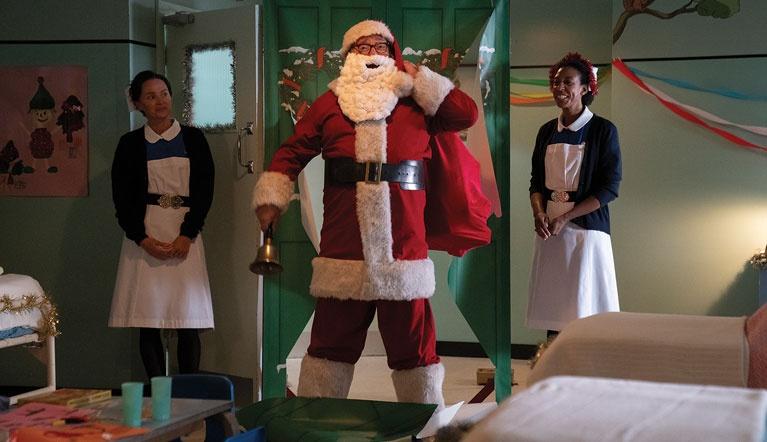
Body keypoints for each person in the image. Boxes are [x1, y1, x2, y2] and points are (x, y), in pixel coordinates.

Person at [252, 20, 477, 407]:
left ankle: (423, 421)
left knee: (414, 350)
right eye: (362, 47)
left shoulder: (417, 102)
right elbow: (291, 152)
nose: (372, 54)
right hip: (344, 251)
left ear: (394, 55)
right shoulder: (328, 104)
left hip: (403, 252)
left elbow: (465, 114)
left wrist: (419, 76)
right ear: (348, 58)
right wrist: (273, 194)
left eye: (381, 47)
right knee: (329, 348)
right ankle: (317, 420)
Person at [109, 70, 215, 379]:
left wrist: (187, 234)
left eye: (164, 94)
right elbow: (122, 198)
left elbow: (205, 191)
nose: (160, 102)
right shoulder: (129, 144)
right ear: (138, 104)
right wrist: (142, 238)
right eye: (151, 97)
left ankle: (189, 393)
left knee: (187, 321)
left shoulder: (193, 139)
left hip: (185, 232)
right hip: (145, 233)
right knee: (149, 318)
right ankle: (159, 393)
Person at [526, 52, 622, 339]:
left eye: (568, 82)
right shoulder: (546, 132)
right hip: (551, 233)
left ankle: (588, 372)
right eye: (556, 82)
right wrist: (540, 213)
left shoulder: (604, 130)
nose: (560, 88)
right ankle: (553, 366)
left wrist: (566, 216)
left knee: (585, 306)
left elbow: (609, 187)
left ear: (585, 88)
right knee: (554, 308)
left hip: (587, 233)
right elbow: (536, 183)